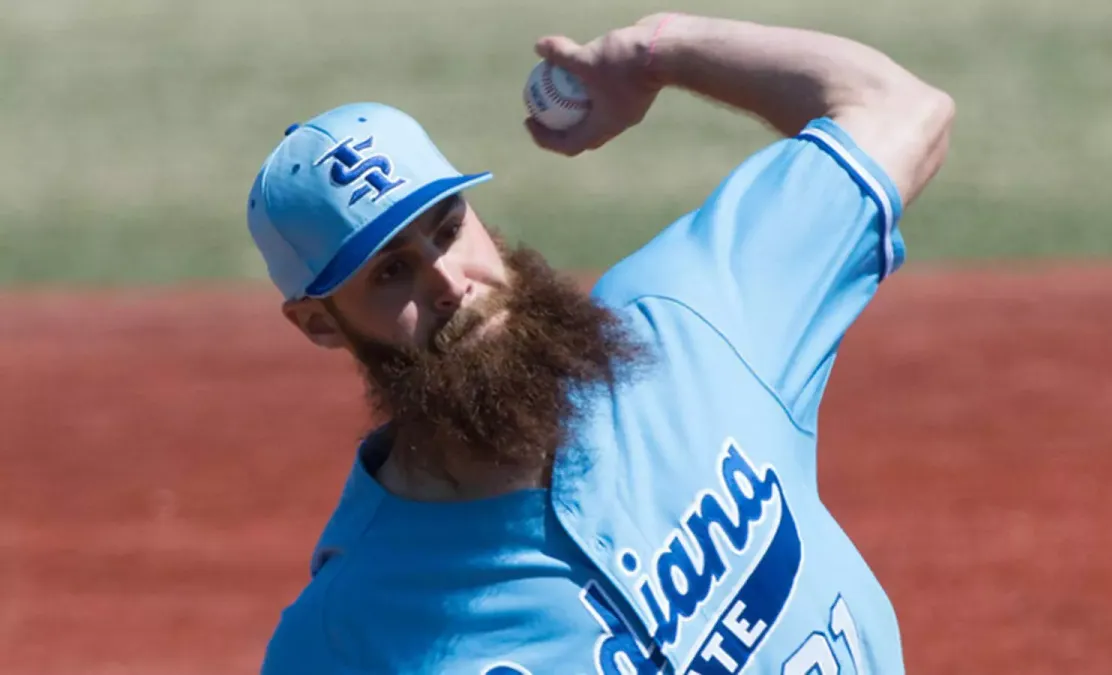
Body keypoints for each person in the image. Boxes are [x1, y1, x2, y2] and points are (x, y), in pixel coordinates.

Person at [247, 11, 954, 675]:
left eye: (447, 226)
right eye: (392, 271)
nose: (450, 281)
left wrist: (661, 50)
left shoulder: (688, 318)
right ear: (318, 321)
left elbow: (900, 110)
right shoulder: (348, 635)